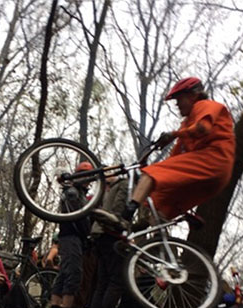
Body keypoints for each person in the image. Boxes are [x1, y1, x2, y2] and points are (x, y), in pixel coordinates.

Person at [94, 77, 235, 227]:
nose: (177, 104)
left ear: (193, 95)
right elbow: (174, 158)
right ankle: (149, 242)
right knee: (160, 205)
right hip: (216, 177)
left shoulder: (204, 105)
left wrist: (172, 135)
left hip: (213, 158)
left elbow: (203, 128)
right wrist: (146, 163)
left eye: (179, 99)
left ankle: (125, 216)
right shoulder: (186, 125)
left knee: (152, 174)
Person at [48, 162, 92, 308]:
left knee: (65, 273)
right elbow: (78, 217)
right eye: (85, 175)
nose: (88, 181)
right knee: (73, 274)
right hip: (71, 236)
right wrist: (87, 234)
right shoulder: (73, 192)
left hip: (72, 237)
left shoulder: (77, 192)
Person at [89, 175, 128, 308]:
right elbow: (118, 210)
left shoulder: (103, 189)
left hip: (99, 234)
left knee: (103, 282)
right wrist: (121, 225)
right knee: (116, 281)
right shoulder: (122, 185)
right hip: (112, 234)